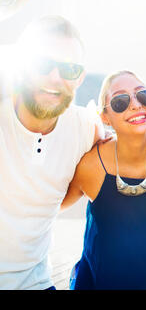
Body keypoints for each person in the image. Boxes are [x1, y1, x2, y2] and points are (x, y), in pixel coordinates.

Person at [61, 70, 146, 290]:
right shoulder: (91, 165)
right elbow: (50, 207)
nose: (136, 105)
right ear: (104, 117)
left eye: (144, 96)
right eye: (120, 101)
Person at [0, 15, 103, 290]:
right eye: (43, 64)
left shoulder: (86, 129)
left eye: (68, 69)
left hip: (36, 283)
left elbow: (132, 149)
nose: (54, 78)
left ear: (80, 77)